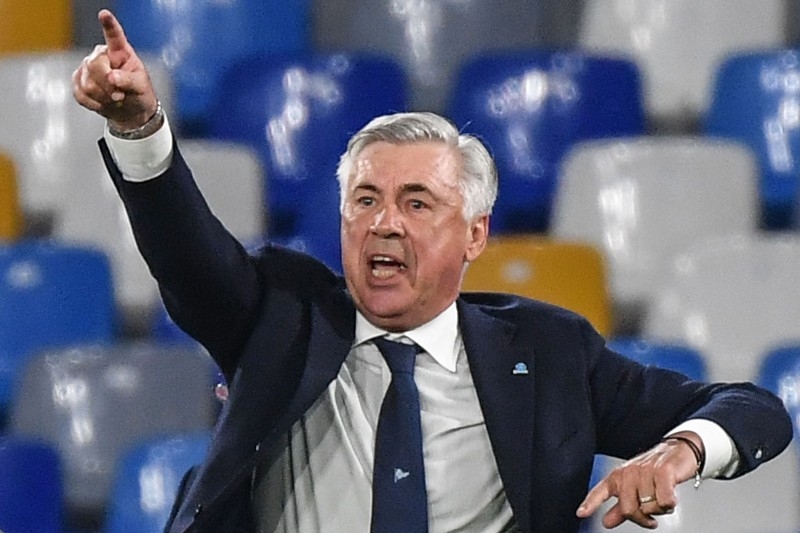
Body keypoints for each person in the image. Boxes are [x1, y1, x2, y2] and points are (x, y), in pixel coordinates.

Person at [73, 10, 793, 533]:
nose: (385, 222)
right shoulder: (280, 317)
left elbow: (755, 408)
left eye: (416, 202)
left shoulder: (547, 351)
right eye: (366, 201)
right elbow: (187, 255)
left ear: (475, 232)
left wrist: (680, 450)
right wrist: (140, 131)